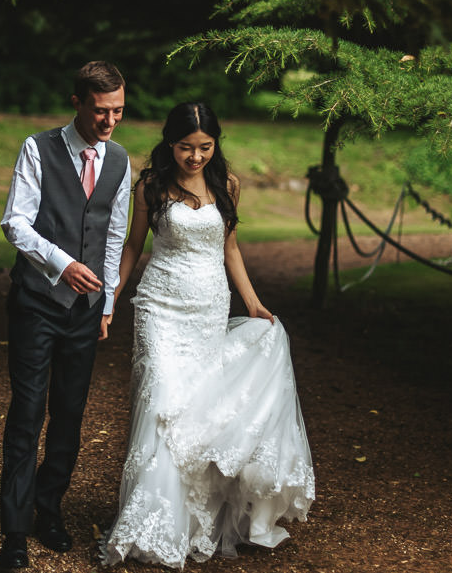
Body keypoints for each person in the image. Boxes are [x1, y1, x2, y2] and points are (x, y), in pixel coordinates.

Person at [100, 102, 314, 569]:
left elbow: (230, 248)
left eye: (204, 148)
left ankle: (194, 520)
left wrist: (253, 302)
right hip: (160, 306)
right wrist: (111, 296)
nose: (194, 157)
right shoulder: (151, 187)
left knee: (198, 408)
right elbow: (135, 245)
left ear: (215, 146)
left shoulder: (227, 185)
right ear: (169, 143)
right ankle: (150, 523)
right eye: (185, 148)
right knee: (161, 404)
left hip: (208, 308)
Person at [0, 61, 131, 569]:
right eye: (101, 111)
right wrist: (63, 263)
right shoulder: (37, 149)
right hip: (35, 304)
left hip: (86, 312)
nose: (110, 121)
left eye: (118, 111)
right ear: (77, 103)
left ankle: (48, 509)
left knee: (70, 417)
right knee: (27, 415)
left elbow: (115, 235)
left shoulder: (120, 160)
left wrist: (109, 304)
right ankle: (13, 532)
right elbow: (15, 223)